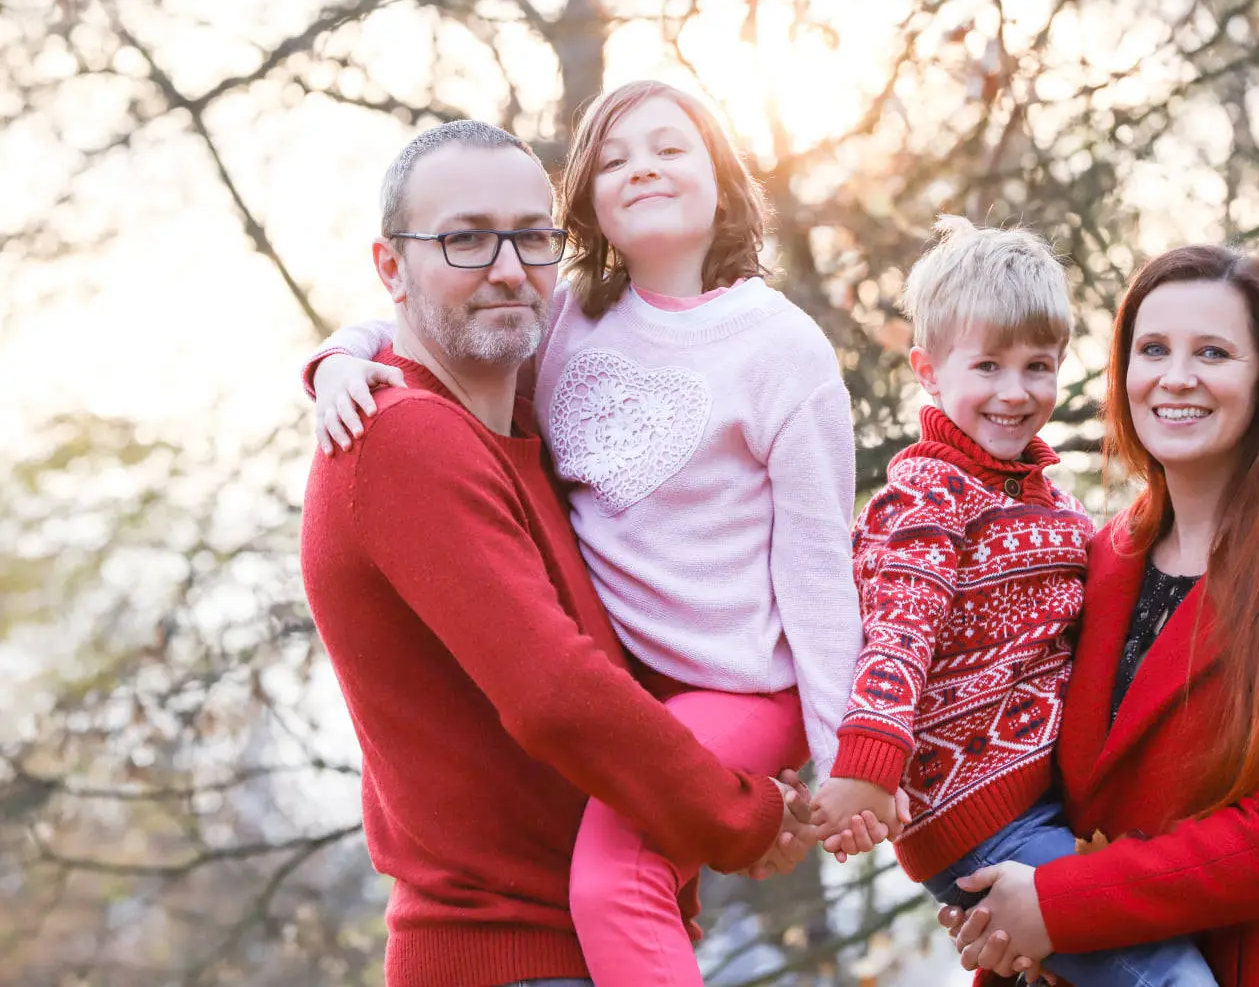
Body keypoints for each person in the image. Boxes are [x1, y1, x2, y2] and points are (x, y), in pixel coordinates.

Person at [305, 85, 872, 987]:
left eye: (530, 237)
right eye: (464, 239)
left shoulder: (528, 428)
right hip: (508, 954)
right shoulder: (404, 435)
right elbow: (557, 695)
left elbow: (816, 564)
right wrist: (741, 818)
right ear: (391, 265)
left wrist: (844, 754)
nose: (506, 268)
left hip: (585, 934)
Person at [939, 245, 1259, 986]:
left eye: (1212, 352)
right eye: (1153, 349)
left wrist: (1061, 904)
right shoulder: (1099, 558)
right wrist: (995, 900)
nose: (1176, 377)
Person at [808, 218, 1218, 987]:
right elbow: (899, 634)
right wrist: (868, 767)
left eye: (1037, 366)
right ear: (929, 372)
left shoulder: (1054, 509)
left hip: (1039, 802)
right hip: (977, 814)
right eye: (988, 366)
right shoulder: (927, 499)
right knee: (1170, 977)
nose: (1014, 392)